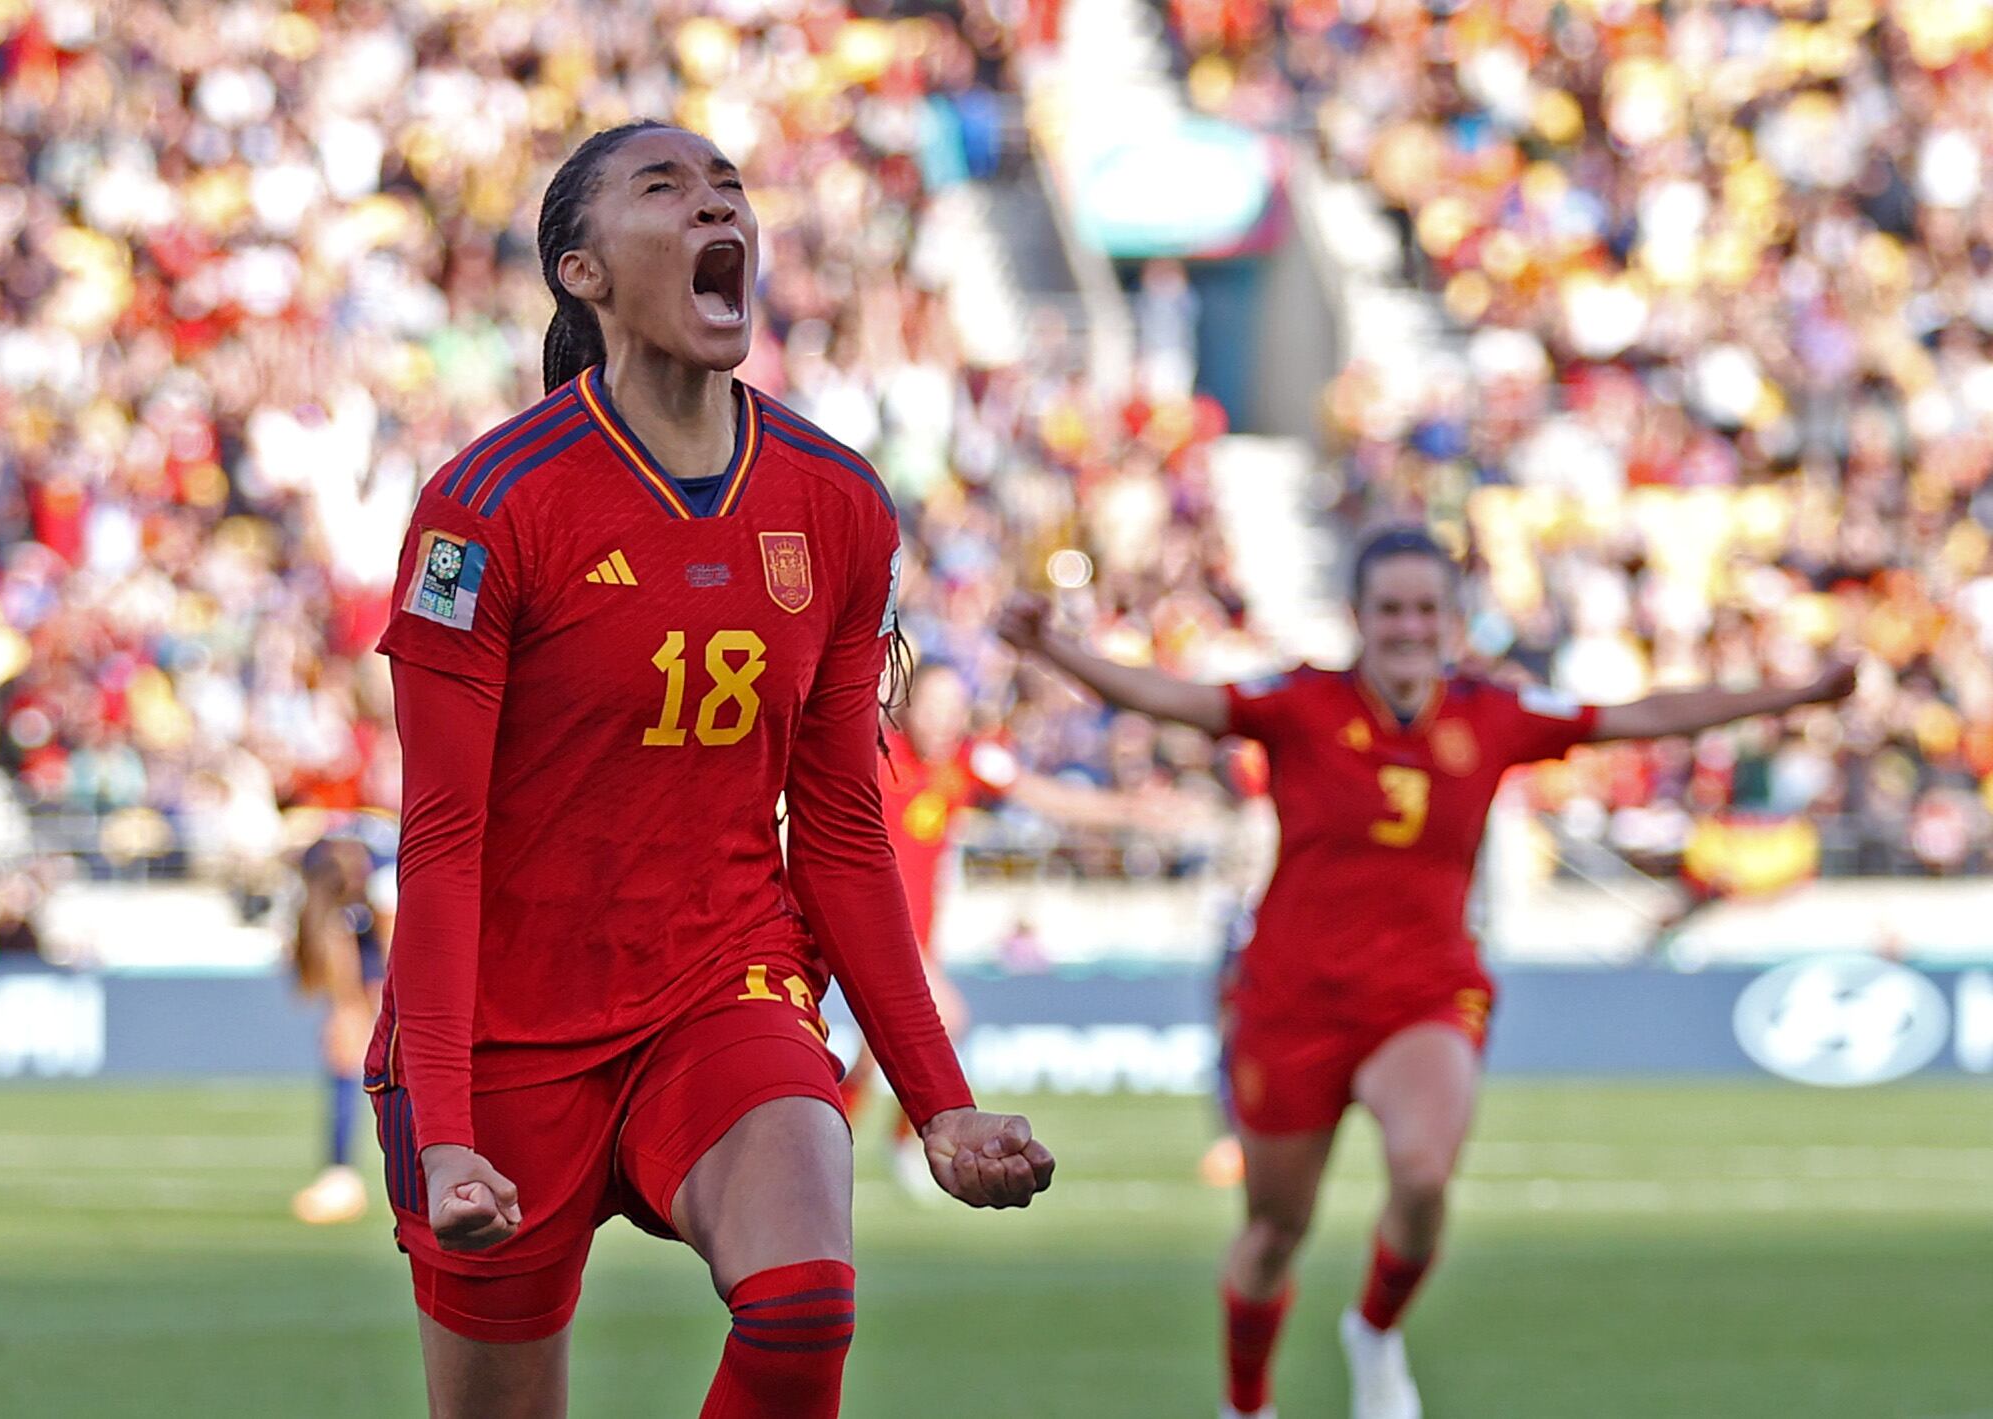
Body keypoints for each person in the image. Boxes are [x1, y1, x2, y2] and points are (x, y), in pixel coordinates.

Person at [366, 119, 1054, 1419]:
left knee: (804, 1309)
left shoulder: (836, 500)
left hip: (721, 983)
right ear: (581, 271)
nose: (714, 205)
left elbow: (841, 829)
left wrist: (941, 1105)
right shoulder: (486, 506)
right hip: (511, 1028)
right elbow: (442, 840)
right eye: (664, 187)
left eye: (728, 187)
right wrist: (444, 1126)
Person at [1000, 525, 1855, 1419]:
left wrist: (1796, 691)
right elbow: (1170, 697)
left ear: (1452, 619)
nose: (1408, 626)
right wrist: (1053, 647)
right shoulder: (1300, 704)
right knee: (1275, 1231)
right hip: (1290, 1000)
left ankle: (1374, 1332)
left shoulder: (1494, 714)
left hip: (1425, 993)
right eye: (1390, 608)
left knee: (1422, 1173)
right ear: (1358, 616)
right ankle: (1246, 1404)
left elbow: (1645, 715)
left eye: (1425, 609)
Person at [843, 659, 1145, 1192]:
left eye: (954, 708)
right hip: (872, 928)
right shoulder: (876, 756)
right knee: (946, 1018)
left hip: (919, 934)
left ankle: (833, 1141)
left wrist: (1129, 811)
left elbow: (1046, 796)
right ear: (907, 706)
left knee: (875, 1055)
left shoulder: (968, 761)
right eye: (933, 705)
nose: (943, 719)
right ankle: (914, 1140)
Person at [288, 814, 396, 1224]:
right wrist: (346, 1008)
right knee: (343, 1044)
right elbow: (332, 939)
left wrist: (387, 1008)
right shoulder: (317, 864)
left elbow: (393, 948)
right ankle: (340, 1174)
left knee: (402, 1049)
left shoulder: (386, 874)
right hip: (365, 927)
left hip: (408, 932)